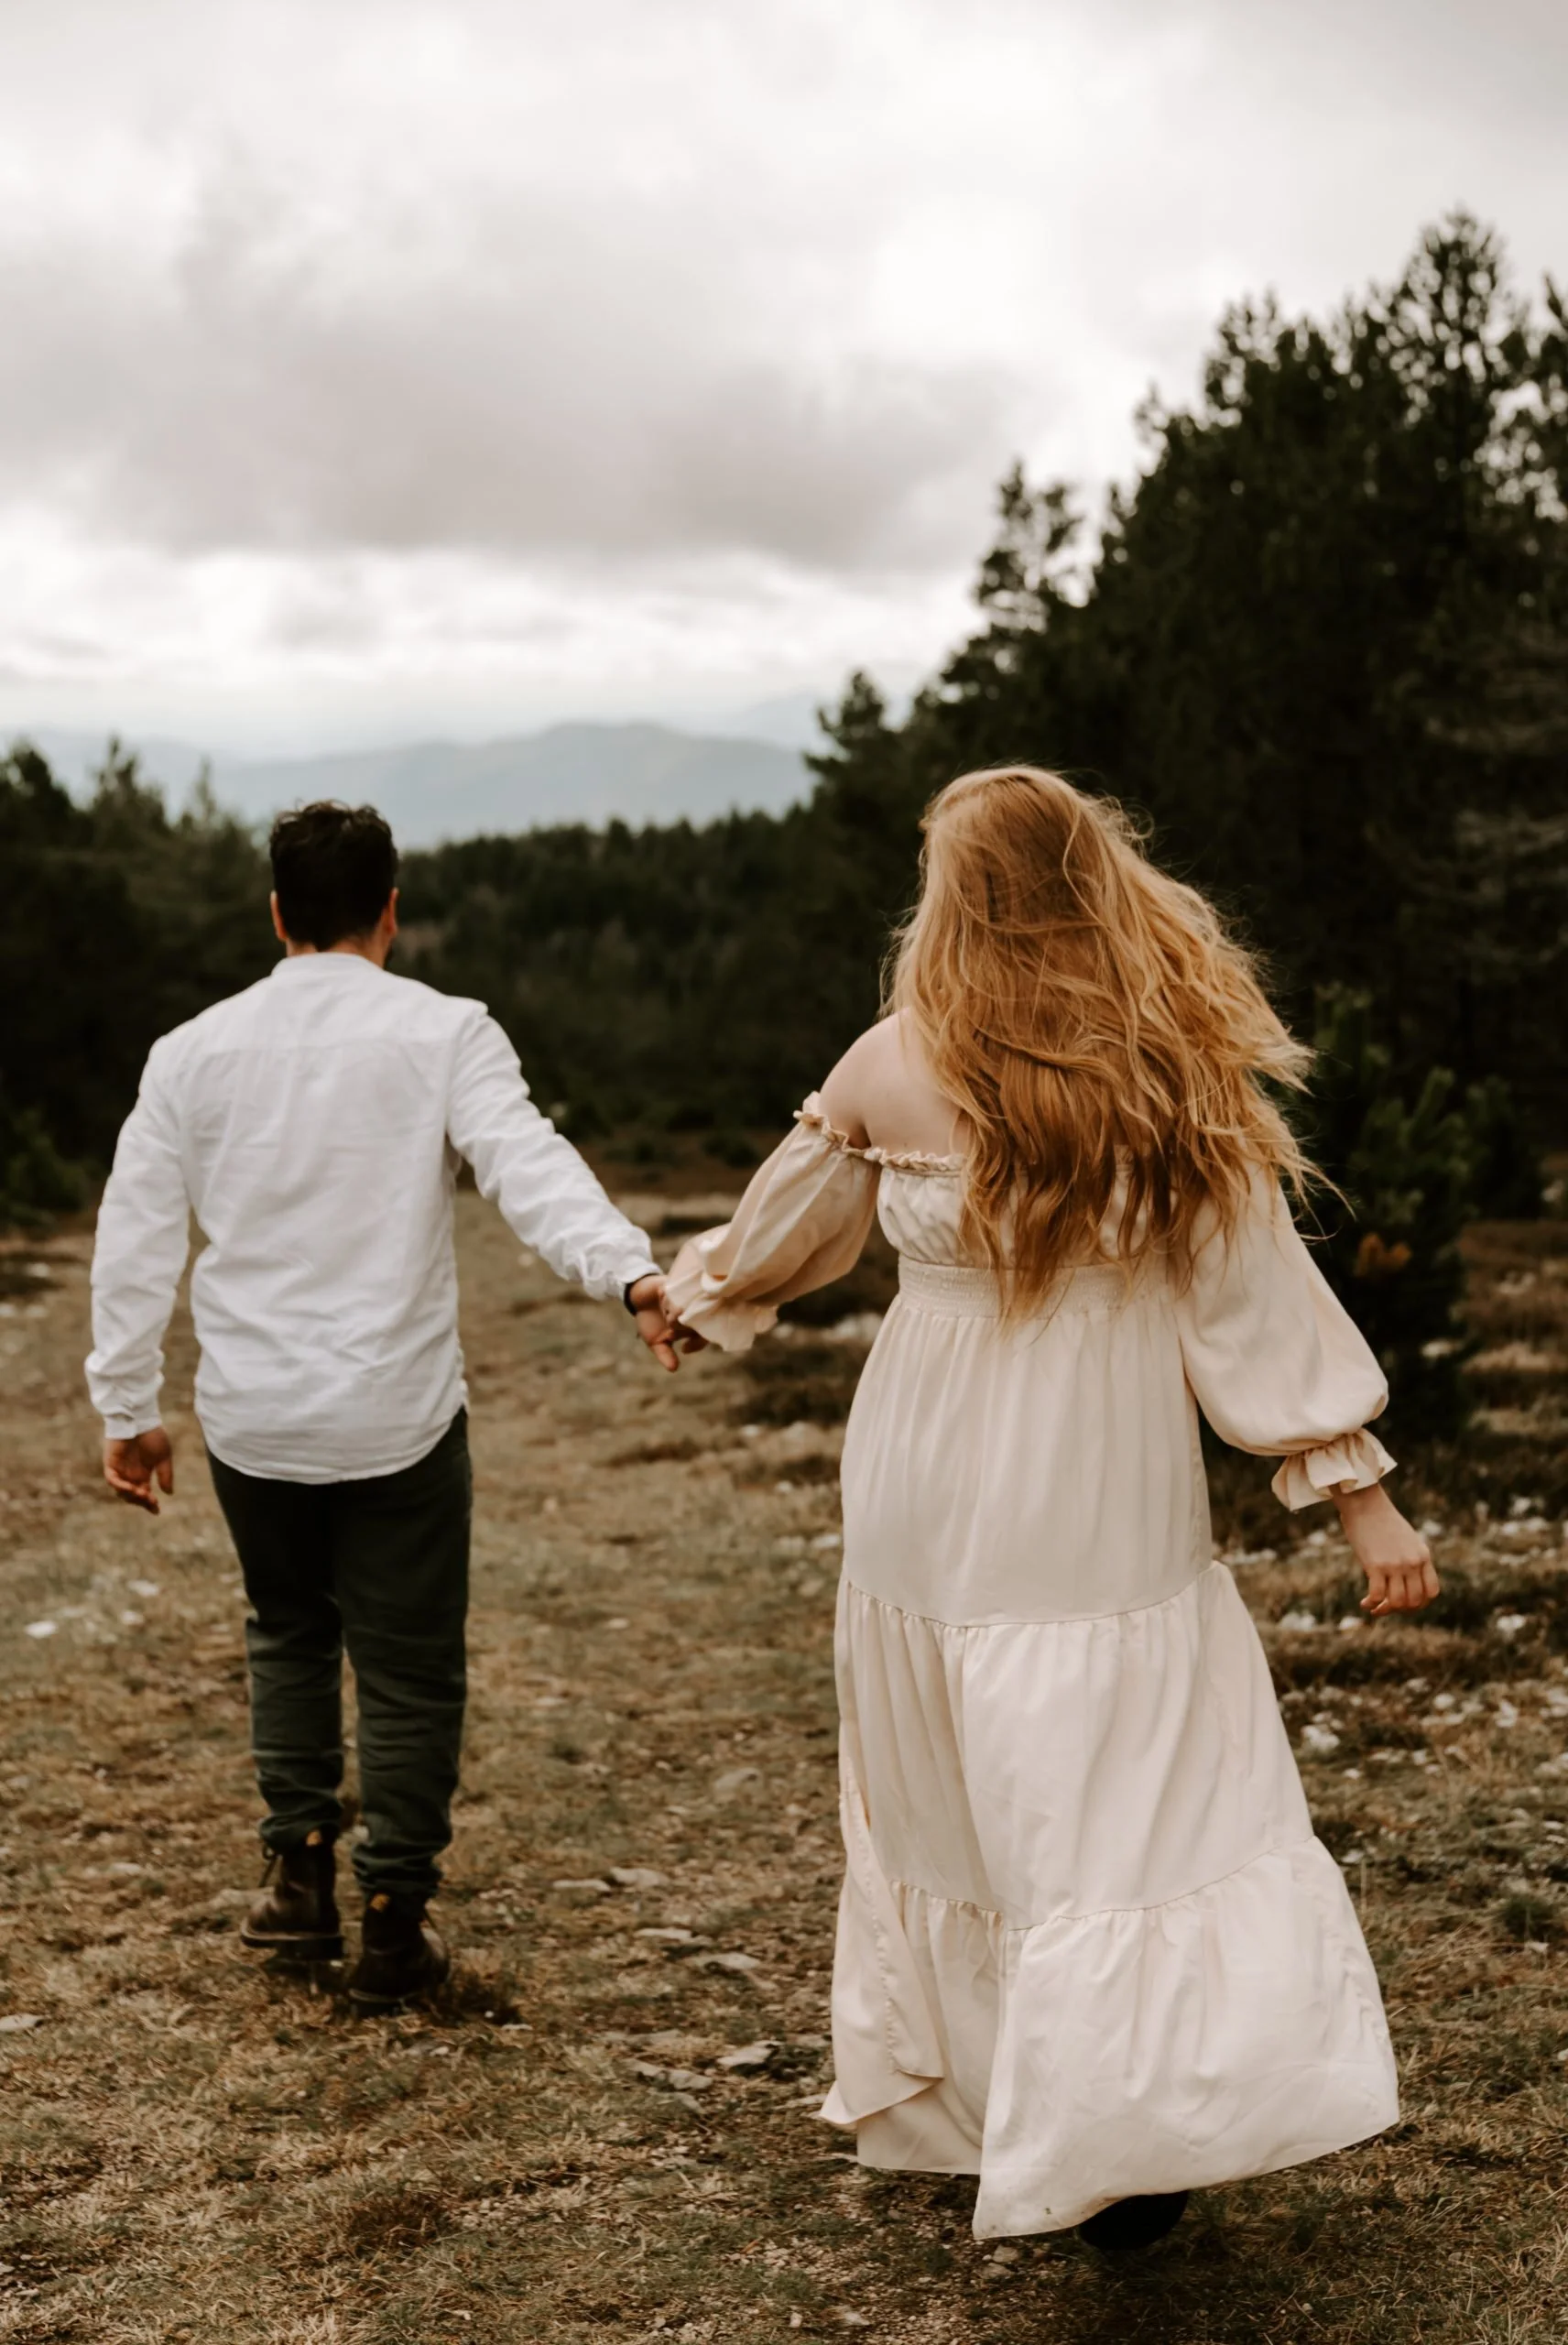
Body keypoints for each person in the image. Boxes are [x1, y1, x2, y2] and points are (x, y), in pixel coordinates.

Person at [663, 765, 1438, 2250]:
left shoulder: (895, 1059)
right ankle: (1115, 2123)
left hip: (932, 1459)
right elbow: (1253, 1303)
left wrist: (703, 1298)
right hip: (1089, 1468)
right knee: (1108, 1781)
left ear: (954, 900)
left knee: (975, 1776)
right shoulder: (1167, 1063)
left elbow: (789, 1230)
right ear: (1098, 879)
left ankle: (1056, 2101)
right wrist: (1360, 1502)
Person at [86, 801, 680, 2010]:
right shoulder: (445, 1032)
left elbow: (136, 1239)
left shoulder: (191, 1050)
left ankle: (296, 1882)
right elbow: (527, 1162)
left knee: (287, 1632)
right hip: (398, 1415)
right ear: (391, 914)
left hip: (254, 1416)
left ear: (276, 913)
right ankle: (394, 1925)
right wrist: (630, 1272)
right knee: (410, 1671)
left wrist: (128, 1405)